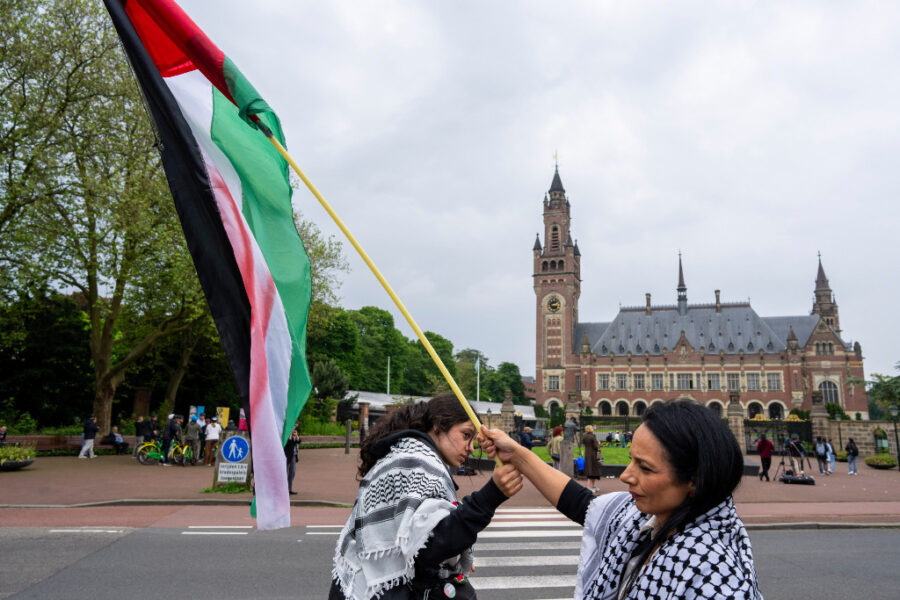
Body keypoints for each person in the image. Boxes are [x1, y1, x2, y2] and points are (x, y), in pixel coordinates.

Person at [480, 399, 762, 600]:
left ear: (694, 480)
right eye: (631, 460)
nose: (626, 475)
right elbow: (582, 503)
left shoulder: (715, 575)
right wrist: (516, 454)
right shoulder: (647, 516)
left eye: (645, 467)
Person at [328, 393, 523, 600]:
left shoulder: (404, 453)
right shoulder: (418, 462)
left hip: (361, 587)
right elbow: (430, 546)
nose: (471, 448)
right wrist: (491, 495)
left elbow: (408, 537)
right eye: (466, 435)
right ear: (438, 426)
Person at [582, 425, 602, 492]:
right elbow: (596, 446)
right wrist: (599, 443)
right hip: (593, 454)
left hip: (587, 454)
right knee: (594, 469)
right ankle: (589, 487)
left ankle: (592, 486)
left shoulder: (584, 436)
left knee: (590, 469)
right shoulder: (593, 436)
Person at [284, 426, 300, 495]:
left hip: (294, 455)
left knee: (292, 472)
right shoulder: (286, 434)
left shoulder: (294, 434)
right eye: (294, 426)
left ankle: (290, 489)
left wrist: (296, 435)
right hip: (287, 456)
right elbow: (288, 443)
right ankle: (284, 490)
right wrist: (290, 434)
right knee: (286, 472)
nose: (295, 428)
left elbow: (299, 441)